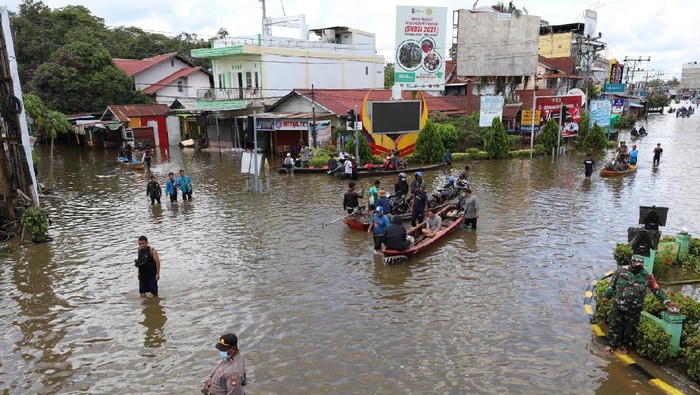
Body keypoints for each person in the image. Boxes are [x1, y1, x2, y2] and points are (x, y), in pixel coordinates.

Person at [602, 256, 679, 355]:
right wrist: (606, 296)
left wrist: (668, 302)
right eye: (635, 265)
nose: (637, 267)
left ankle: (623, 345)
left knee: (629, 328)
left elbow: (656, 290)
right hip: (619, 305)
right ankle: (611, 345)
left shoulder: (647, 276)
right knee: (615, 325)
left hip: (634, 309)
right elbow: (612, 286)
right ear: (630, 262)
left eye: (639, 266)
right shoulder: (621, 271)